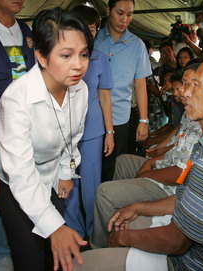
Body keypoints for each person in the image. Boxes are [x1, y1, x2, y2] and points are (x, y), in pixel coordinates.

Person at [79, 52, 203, 271]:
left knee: (84, 264)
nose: (186, 92)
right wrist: (139, 207)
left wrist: (124, 239)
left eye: (196, 86)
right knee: (122, 219)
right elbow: (190, 199)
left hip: (189, 263)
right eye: (186, 84)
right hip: (187, 240)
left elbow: (177, 242)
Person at [0, 7, 94, 271]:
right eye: (66, 55)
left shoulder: (80, 89)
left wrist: (66, 172)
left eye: (84, 54)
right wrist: (55, 227)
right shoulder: (17, 100)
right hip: (13, 180)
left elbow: (73, 136)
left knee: (54, 246)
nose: (79, 65)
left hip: (51, 174)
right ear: (42, 57)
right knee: (31, 252)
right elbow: (22, 174)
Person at [91, 61, 203, 249]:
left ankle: (100, 246)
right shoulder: (190, 113)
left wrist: (148, 173)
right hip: (165, 167)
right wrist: (153, 160)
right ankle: (120, 215)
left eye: (190, 85)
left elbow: (179, 173)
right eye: (183, 84)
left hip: (171, 187)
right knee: (123, 161)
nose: (182, 91)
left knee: (104, 193)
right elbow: (176, 148)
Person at [0, 0, 35, 269]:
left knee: (22, 197)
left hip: (23, 135)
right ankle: (1, 254)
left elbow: (25, 82)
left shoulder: (26, 33)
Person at [64, 4, 113, 239]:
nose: (89, 33)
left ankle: (95, 233)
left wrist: (110, 132)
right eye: (85, 28)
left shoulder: (101, 59)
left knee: (92, 185)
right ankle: (75, 232)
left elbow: (105, 97)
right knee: (68, 182)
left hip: (93, 131)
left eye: (93, 29)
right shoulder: (61, 56)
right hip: (65, 131)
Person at [94, 0, 152, 181]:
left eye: (129, 14)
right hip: (92, 116)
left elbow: (140, 85)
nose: (124, 19)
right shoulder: (94, 39)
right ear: (108, 10)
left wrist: (143, 120)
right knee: (92, 167)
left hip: (120, 117)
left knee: (114, 168)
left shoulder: (137, 46)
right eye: (120, 13)